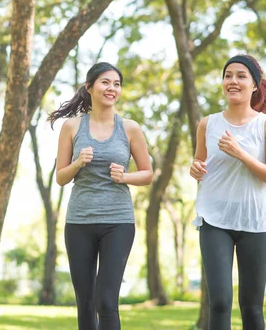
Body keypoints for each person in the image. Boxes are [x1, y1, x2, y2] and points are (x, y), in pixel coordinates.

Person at [189, 54, 266, 330]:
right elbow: (200, 162)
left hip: (255, 223)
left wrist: (241, 154)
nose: (233, 81)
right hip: (214, 220)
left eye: (240, 76)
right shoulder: (208, 124)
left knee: (251, 307)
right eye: (228, 75)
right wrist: (195, 169)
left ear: (254, 85)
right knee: (221, 302)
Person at [49, 62, 153, 330]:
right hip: (79, 222)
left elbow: (148, 173)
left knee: (106, 300)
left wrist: (125, 177)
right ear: (89, 87)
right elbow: (61, 177)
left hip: (118, 222)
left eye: (116, 84)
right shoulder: (72, 127)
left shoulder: (130, 128)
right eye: (105, 82)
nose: (112, 88)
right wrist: (77, 163)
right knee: (85, 302)